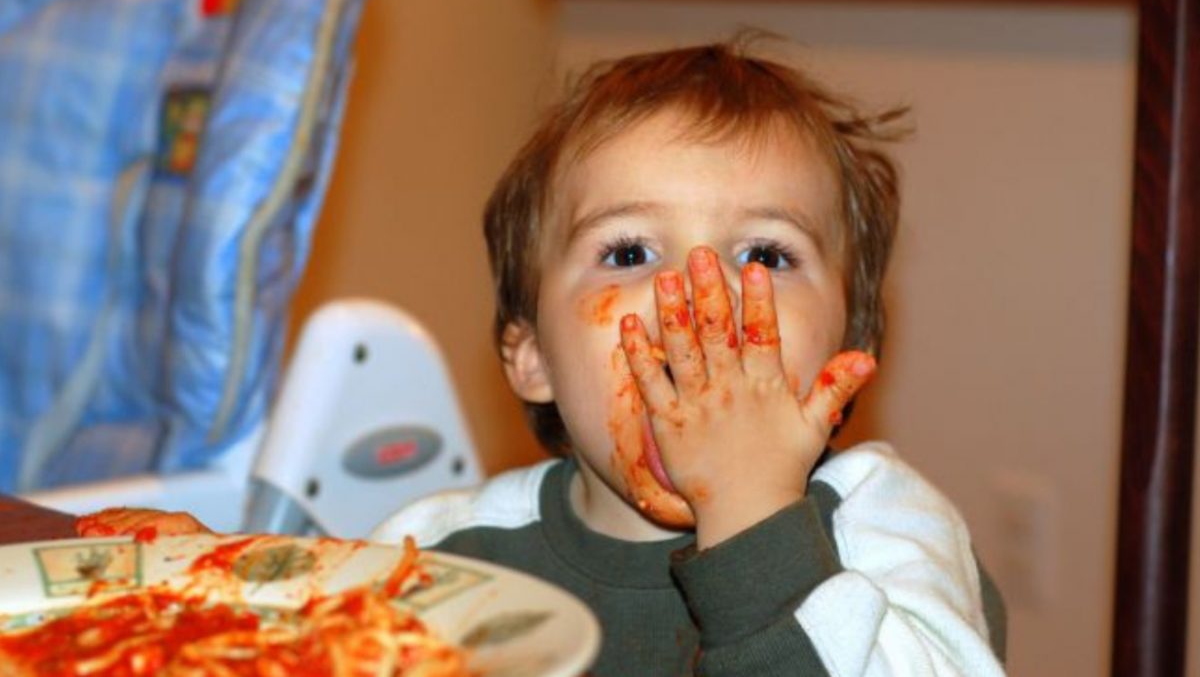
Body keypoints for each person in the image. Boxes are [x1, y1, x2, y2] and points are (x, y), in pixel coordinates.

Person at [85, 39, 1006, 676]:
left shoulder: (889, 534)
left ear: (847, 354)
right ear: (530, 359)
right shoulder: (448, 554)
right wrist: (206, 587)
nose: (703, 298)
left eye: (766, 255)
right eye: (628, 252)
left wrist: (758, 522)